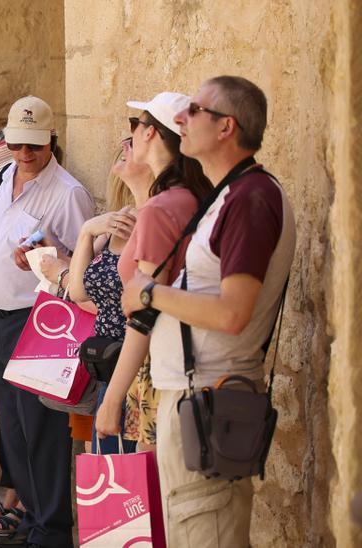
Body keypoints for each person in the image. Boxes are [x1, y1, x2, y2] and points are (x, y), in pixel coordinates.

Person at [121, 76, 294, 547]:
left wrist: (150, 294)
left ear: (226, 127)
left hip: (211, 398)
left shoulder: (251, 199)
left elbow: (233, 313)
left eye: (194, 110)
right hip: (196, 396)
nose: (181, 118)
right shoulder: (228, 196)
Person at [0, 96, 94, 548]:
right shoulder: (0, 179)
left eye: (34, 145)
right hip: (1, 318)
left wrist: (47, 256)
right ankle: (34, 522)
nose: (25, 154)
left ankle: (51, 531)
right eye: (16, 144)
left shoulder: (69, 193)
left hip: (40, 321)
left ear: (52, 140)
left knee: (42, 432)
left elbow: (85, 267)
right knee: (14, 431)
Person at [44, 93, 210, 455]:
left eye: (135, 126)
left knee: (130, 498)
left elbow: (144, 311)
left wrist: (113, 397)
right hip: (164, 362)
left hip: (148, 369)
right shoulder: (187, 200)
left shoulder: (162, 207)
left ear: (151, 134)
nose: (129, 137)